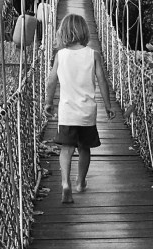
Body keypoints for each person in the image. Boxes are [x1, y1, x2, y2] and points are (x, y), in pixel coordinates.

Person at [44, 13, 115, 204]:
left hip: (67, 112)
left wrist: (48, 102)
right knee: (84, 148)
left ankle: (65, 183)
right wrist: (108, 106)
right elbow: (102, 81)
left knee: (66, 149)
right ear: (84, 32)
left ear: (63, 33)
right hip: (87, 113)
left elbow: (51, 81)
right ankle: (80, 182)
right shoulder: (93, 54)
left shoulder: (60, 56)